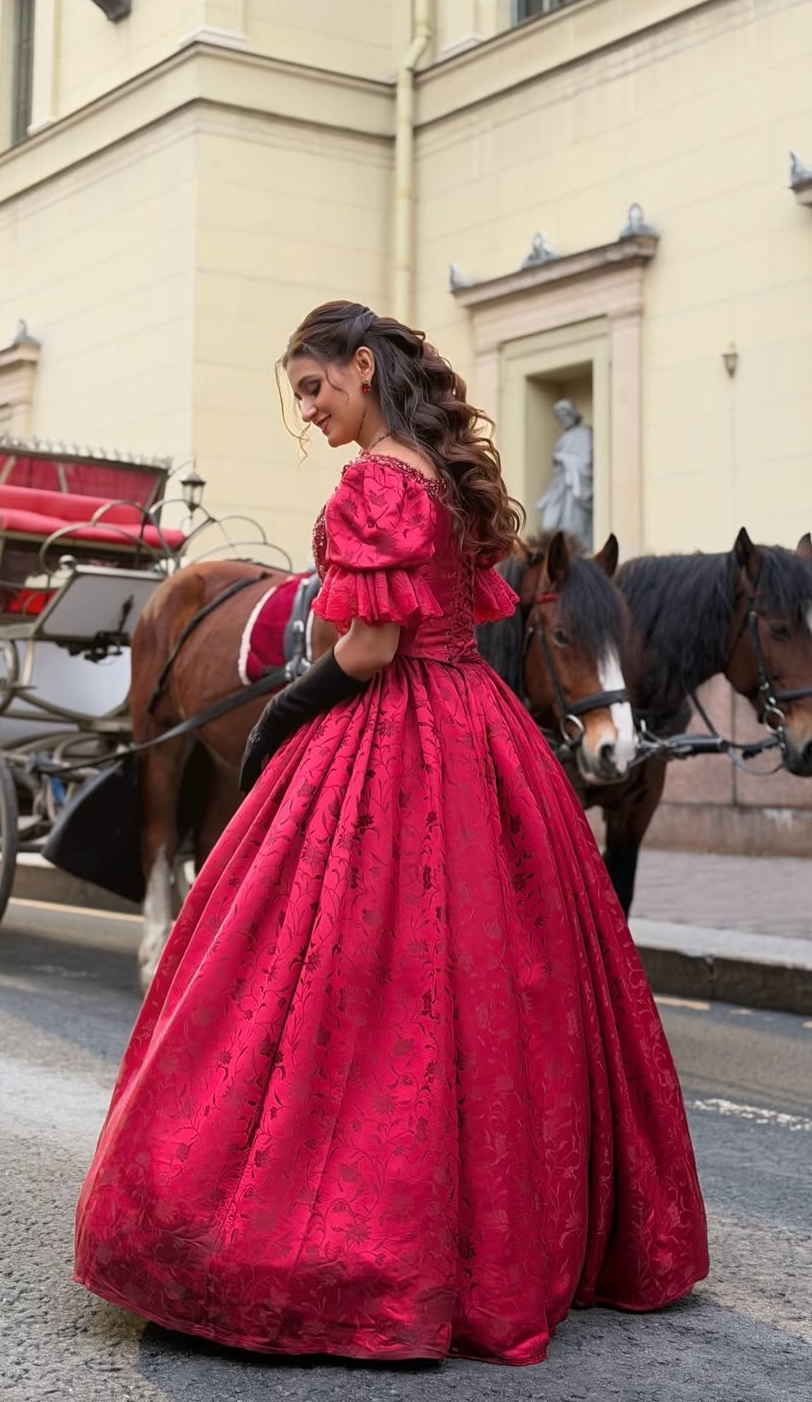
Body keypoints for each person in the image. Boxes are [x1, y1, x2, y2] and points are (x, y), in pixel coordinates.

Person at [73, 300, 708, 1365]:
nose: (310, 413)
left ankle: (343, 1247)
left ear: (362, 369)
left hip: (393, 731)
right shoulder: (448, 478)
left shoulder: (377, 482)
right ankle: (504, 1241)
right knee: (485, 988)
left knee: (339, 983)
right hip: (479, 733)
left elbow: (371, 649)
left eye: (317, 388)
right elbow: (461, 614)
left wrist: (286, 708)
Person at [536, 398, 594, 550]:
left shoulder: (584, 434)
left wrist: (563, 458)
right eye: (559, 417)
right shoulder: (563, 439)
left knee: (572, 531)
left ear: (573, 414)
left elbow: (586, 462)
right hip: (559, 489)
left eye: (565, 416)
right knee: (548, 525)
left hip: (575, 490)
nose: (562, 420)